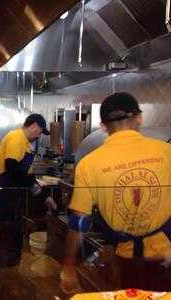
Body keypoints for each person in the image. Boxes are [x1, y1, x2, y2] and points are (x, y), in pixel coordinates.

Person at [60, 93, 171, 294]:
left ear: (103, 126)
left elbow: (79, 222)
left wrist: (68, 265)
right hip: (167, 259)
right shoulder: (167, 151)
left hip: (125, 261)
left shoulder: (89, 164)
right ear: (140, 118)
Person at [0, 113, 50, 268]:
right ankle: (4, 273)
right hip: (5, 196)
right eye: (40, 132)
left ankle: (12, 269)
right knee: (6, 238)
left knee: (14, 237)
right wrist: (33, 185)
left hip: (14, 197)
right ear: (34, 126)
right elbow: (11, 166)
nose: (39, 136)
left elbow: (27, 175)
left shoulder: (25, 143)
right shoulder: (16, 137)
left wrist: (43, 195)